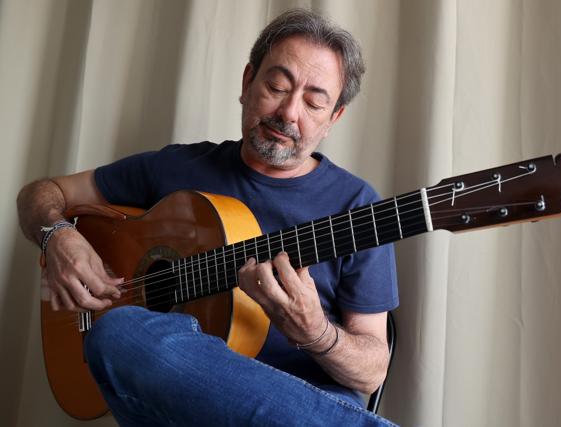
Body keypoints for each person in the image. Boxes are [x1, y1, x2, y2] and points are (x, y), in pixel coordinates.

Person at [16, 9, 398, 427]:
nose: (289, 113)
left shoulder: (358, 207)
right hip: (181, 407)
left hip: (300, 403)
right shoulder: (175, 168)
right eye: (276, 85)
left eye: (313, 101)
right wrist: (56, 235)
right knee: (116, 332)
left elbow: (371, 370)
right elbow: (42, 193)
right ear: (247, 82)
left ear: (333, 119)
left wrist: (315, 333)